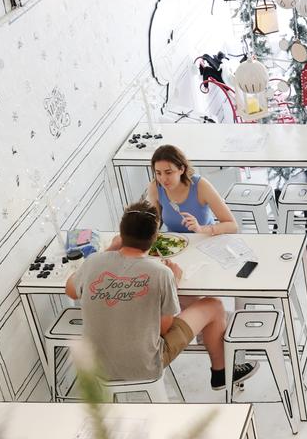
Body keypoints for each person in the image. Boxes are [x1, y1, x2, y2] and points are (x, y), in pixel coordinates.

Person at [110, 145, 256, 382]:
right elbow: (153, 222)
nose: (162, 178)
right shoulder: (156, 188)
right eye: (158, 173)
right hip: (176, 252)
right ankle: (212, 340)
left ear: (182, 169)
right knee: (181, 296)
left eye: (168, 172)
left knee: (189, 298)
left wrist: (202, 228)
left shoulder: (200, 186)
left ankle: (210, 333)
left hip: (205, 249)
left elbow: (231, 224)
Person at [65, 201, 246, 393]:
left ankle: (221, 371)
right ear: (155, 238)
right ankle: (221, 373)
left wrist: (109, 250)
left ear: (121, 232)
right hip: (145, 365)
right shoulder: (162, 273)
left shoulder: (94, 262)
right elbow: (163, 328)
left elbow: (71, 290)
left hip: (96, 366)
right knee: (214, 305)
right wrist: (172, 285)